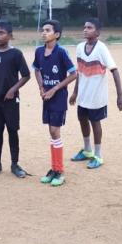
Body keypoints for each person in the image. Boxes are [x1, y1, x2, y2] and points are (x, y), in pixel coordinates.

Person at [69, 17, 122, 169]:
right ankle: (87, 150)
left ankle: (98, 155)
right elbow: (79, 71)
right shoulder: (80, 47)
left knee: (95, 123)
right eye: (84, 27)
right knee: (82, 119)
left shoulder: (102, 49)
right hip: (83, 94)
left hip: (97, 97)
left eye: (89, 27)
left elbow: (114, 70)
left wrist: (120, 96)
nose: (85, 30)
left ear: (98, 32)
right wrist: (75, 92)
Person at [32, 20, 77, 186]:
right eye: (43, 30)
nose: (44, 33)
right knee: (51, 132)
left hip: (58, 97)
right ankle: (54, 168)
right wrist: (41, 87)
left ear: (56, 35)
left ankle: (60, 171)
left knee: (54, 131)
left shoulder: (61, 53)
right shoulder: (38, 51)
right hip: (46, 97)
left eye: (48, 30)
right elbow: (36, 69)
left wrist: (54, 89)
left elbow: (73, 74)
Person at [0, 20, 30, 178]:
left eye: (1, 33)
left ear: (10, 36)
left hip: (11, 100)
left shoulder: (16, 54)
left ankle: (15, 164)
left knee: (12, 131)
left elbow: (26, 75)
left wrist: (13, 90)